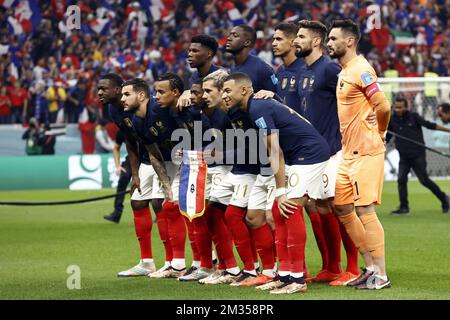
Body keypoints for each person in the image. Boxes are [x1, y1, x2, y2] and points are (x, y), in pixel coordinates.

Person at [221, 72, 330, 294]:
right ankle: (284, 275)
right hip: (298, 155)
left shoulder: (256, 108)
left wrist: (281, 190)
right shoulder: (256, 107)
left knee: (288, 209)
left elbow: (275, 151)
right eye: (222, 91)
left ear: (244, 90)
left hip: (309, 154)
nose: (224, 95)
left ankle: (297, 280)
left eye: (227, 90)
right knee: (276, 213)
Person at [292, 20, 361, 286]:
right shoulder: (303, 71)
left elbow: (354, 96)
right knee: (321, 207)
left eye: (301, 37)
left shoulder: (331, 69)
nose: (296, 41)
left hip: (334, 149)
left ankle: (353, 268)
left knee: (340, 206)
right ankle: (332, 266)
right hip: (314, 152)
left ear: (316, 41)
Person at [327, 19, 392, 290]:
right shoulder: (345, 70)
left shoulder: (362, 69)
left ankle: (381, 275)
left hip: (366, 151)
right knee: (341, 207)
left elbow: (383, 105)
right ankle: (370, 267)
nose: (329, 43)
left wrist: (381, 132)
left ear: (349, 41)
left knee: (364, 209)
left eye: (333, 39)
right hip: (348, 153)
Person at [122, 75, 187, 278]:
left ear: (141, 96)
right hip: (168, 162)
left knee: (192, 211)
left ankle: (190, 263)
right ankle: (175, 264)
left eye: (126, 94)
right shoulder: (137, 121)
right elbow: (153, 153)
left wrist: (187, 94)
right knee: (169, 205)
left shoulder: (161, 107)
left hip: (193, 158)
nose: (122, 99)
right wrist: (166, 184)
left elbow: (188, 123)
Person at [98, 73, 156, 277]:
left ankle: (178, 262)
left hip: (165, 157)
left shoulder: (146, 106)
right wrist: (135, 173)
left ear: (117, 89)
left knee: (166, 206)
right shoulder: (113, 109)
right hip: (145, 159)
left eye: (103, 88)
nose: (99, 93)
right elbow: (130, 141)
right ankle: (147, 262)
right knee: (138, 202)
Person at [387, 97, 450, 215]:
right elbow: (388, 136)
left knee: (424, 180)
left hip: (418, 154)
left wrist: (447, 130)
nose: (398, 109)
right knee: (401, 180)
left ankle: (444, 198)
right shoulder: (392, 119)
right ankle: (404, 207)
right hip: (404, 156)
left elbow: (429, 125)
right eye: (396, 107)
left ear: (406, 107)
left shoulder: (414, 117)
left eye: (401, 107)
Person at [226, 25, 277, 93]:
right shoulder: (233, 67)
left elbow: (275, 96)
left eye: (235, 36)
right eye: (230, 35)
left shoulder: (262, 68)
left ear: (247, 42)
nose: (229, 38)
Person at [104, 130, 132, 223]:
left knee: (150, 186)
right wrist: (118, 166)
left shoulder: (142, 125)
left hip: (145, 159)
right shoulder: (122, 131)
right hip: (131, 159)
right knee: (123, 180)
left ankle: (159, 213)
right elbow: (116, 148)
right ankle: (117, 214)